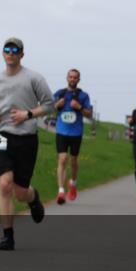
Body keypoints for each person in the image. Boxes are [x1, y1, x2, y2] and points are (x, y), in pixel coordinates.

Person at [0, 37, 55, 251]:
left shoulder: (34, 78)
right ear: (3, 53)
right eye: (7, 49)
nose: (11, 53)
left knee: (20, 192)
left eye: (15, 50)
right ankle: (8, 236)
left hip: (26, 138)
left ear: (22, 54)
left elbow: (49, 105)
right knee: (4, 184)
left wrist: (28, 114)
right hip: (1, 136)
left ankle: (33, 199)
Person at [52, 69, 93, 204]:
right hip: (61, 131)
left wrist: (79, 107)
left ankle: (73, 184)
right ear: (67, 78)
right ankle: (61, 191)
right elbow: (50, 108)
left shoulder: (83, 96)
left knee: (73, 161)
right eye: (70, 77)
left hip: (76, 133)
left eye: (75, 77)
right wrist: (57, 105)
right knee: (63, 159)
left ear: (78, 80)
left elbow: (89, 114)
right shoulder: (60, 93)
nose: (73, 79)